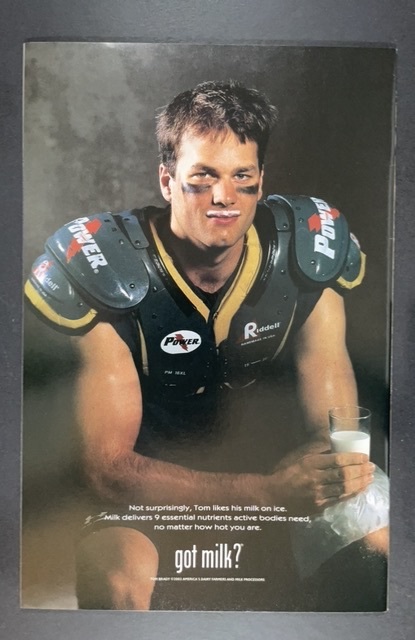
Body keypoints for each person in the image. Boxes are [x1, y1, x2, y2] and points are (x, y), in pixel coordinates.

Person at [25, 80, 388, 611]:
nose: (224, 197)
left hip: (277, 465)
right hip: (154, 488)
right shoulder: (107, 270)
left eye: (242, 177)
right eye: (203, 176)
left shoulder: (307, 251)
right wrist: (265, 492)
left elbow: (332, 411)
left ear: (261, 181)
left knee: (386, 543)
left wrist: (326, 471)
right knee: (119, 572)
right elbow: (108, 470)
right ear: (167, 180)